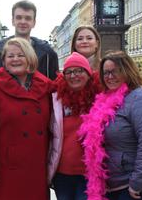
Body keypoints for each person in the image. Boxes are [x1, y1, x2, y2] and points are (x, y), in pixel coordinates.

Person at [79, 51, 142, 200]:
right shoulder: (108, 98)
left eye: (115, 71)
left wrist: (138, 182)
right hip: (120, 179)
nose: (109, 77)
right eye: (106, 73)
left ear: (127, 71)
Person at [0, 37, 51, 200]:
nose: (15, 59)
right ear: (3, 61)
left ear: (30, 58)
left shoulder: (45, 87)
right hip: (6, 168)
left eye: (21, 55)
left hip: (37, 166)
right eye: (10, 56)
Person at [48, 52, 102, 200]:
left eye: (79, 70)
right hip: (62, 173)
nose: (74, 75)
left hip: (89, 173)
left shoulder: (100, 98)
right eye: (69, 72)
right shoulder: (56, 99)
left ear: (88, 73)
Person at [0, 0, 59, 80]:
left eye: (28, 18)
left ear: (34, 22)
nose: (23, 22)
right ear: (13, 21)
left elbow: (54, 86)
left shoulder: (48, 54)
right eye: (19, 17)